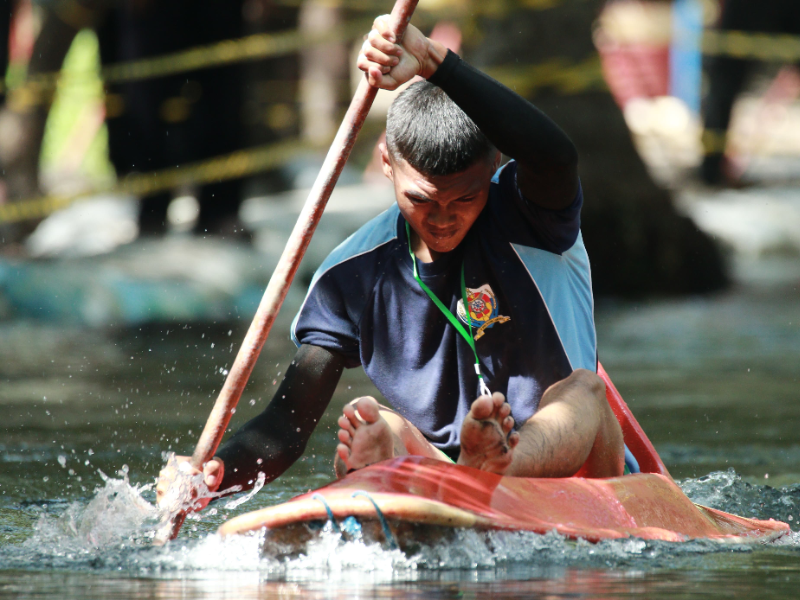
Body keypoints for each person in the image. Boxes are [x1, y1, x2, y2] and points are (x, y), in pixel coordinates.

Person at [157, 15, 626, 510]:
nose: (443, 219)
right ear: (386, 163)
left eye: (464, 199)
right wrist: (213, 476)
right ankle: (430, 471)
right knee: (375, 420)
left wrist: (435, 62)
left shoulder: (532, 216)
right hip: (445, 486)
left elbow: (555, 157)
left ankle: (499, 464)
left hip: (576, 477)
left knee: (587, 392)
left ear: (494, 167)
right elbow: (284, 427)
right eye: (422, 199)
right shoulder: (349, 276)